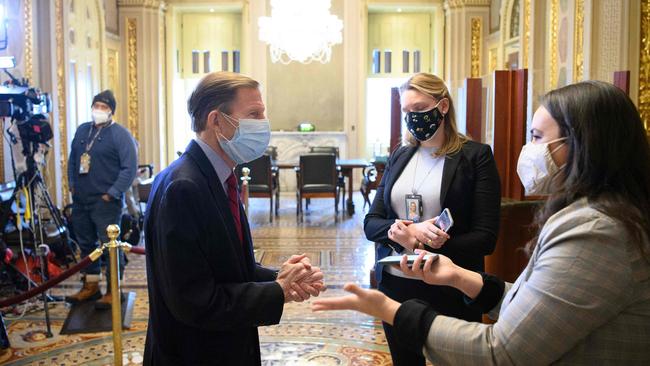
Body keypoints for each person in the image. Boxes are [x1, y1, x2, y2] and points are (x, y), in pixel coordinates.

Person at [313, 80, 650, 365]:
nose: (528, 149)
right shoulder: (596, 216)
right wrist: (460, 276)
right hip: (405, 275)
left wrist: (389, 310)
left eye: (535, 137)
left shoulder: (593, 231)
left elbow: (503, 350)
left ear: (581, 145)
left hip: (444, 297)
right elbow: (535, 307)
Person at [143, 71, 326, 365]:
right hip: (195, 355)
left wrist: (280, 278)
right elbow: (194, 300)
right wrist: (277, 292)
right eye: (254, 114)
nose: (263, 124)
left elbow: (225, 270)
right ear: (216, 121)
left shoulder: (218, 177)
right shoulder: (183, 187)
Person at [363, 73, 501, 365]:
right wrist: (399, 231)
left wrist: (425, 245)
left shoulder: (476, 157)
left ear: (443, 107)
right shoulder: (400, 155)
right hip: (396, 284)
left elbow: (486, 237)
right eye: (407, 111)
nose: (412, 117)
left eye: (419, 108)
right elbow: (371, 222)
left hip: (450, 285)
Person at [66, 90, 138, 309]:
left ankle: (113, 289)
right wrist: (72, 186)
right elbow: (72, 161)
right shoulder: (82, 131)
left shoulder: (120, 135)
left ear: (111, 111)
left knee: (109, 246)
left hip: (106, 201)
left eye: (103, 107)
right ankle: (91, 286)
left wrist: (112, 193)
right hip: (81, 199)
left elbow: (129, 168)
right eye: (96, 105)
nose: (99, 110)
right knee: (86, 245)